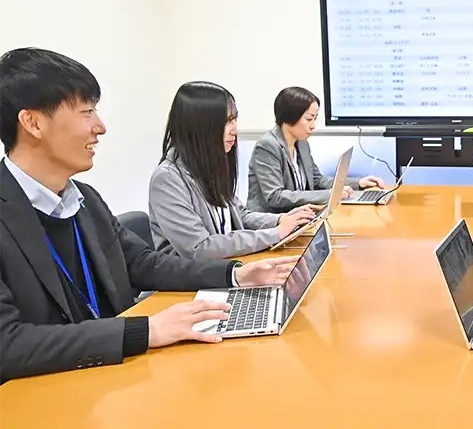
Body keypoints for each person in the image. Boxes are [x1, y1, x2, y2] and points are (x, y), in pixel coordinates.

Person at [0, 47, 298, 383]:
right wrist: (148, 330)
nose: (100, 127)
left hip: (115, 377)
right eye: (87, 112)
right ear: (33, 122)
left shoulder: (84, 199)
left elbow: (145, 264)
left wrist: (236, 275)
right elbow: (8, 345)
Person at [148, 81, 318, 260]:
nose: (235, 130)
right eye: (227, 121)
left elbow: (239, 215)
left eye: (234, 119)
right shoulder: (167, 179)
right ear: (200, 126)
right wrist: (275, 233)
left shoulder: (208, 165)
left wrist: (281, 220)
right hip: (197, 277)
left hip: (225, 266)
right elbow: (199, 248)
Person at [246, 86, 385, 213]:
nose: (313, 126)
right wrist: (330, 194)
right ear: (289, 117)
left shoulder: (301, 143)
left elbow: (317, 181)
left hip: (300, 216)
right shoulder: (267, 146)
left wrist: (358, 183)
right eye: (309, 119)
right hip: (272, 222)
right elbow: (275, 197)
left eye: (315, 118)